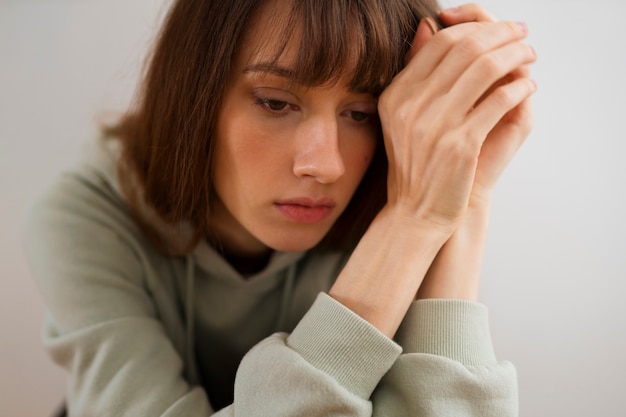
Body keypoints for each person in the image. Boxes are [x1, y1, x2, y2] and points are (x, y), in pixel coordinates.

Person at [24, 0, 537, 415]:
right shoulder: (83, 217)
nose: (326, 165)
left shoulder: (396, 198)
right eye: (274, 102)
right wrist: (413, 222)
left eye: (359, 113)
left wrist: (465, 199)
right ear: (194, 93)